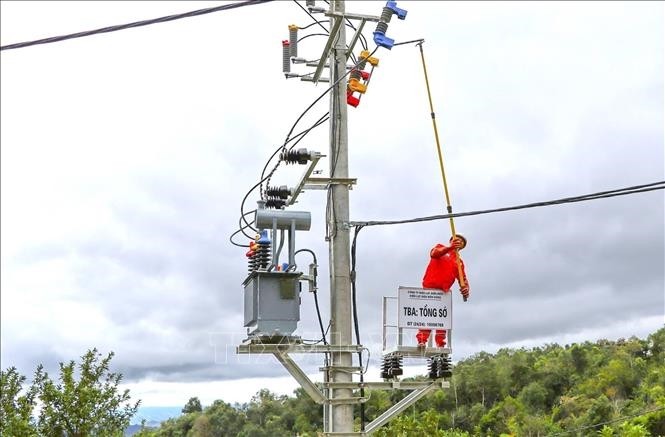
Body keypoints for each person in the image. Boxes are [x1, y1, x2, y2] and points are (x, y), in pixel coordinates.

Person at [417, 234, 469, 348]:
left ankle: (440, 343)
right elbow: (434, 253)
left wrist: (465, 289)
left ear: (462, 247)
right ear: (451, 241)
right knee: (427, 316)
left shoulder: (459, 262)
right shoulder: (440, 248)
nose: (458, 242)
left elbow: (462, 279)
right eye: (457, 239)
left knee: (442, 319)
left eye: (461, 242)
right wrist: (449, 248)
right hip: (429, 290)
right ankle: (422, 340)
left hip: (443, 293)